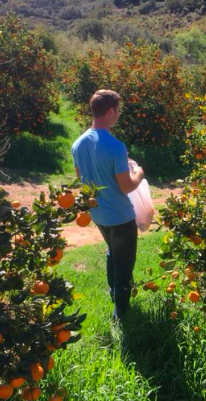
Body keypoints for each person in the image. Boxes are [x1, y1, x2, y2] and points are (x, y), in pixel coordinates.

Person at [71, 89, 144, 319]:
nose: (119, 114)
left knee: (113, 252)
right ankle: (120, 316)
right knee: (124, 266)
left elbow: (82, 180)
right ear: (111, 111)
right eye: (118, 110)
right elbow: (126, 186)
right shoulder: (116, 146)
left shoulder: (78, 144)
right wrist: (139, 173)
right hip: (121, 217)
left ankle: (114, 293)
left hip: (98, 215)